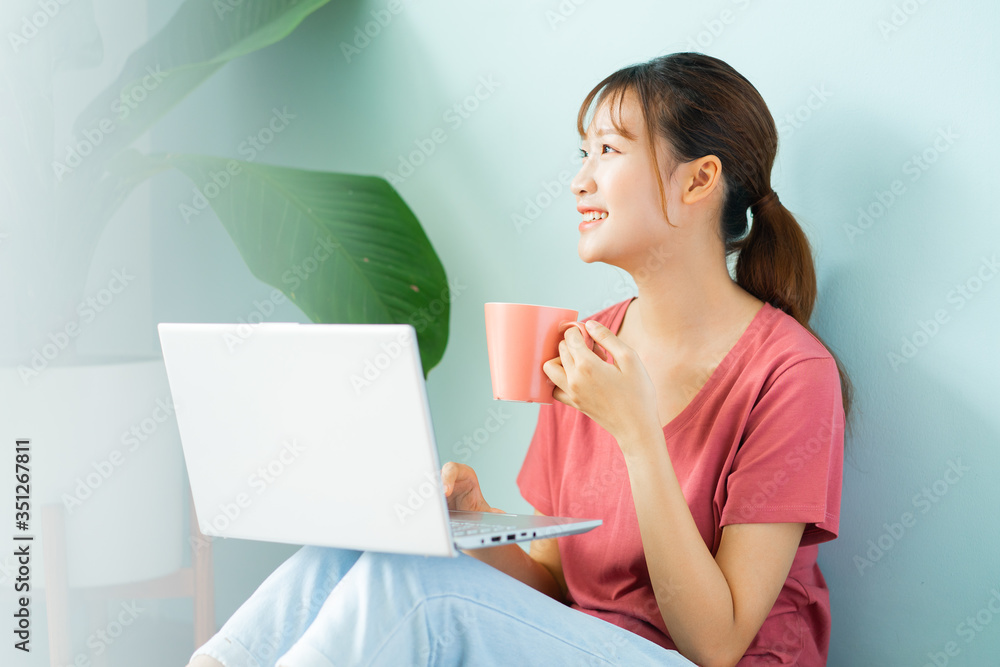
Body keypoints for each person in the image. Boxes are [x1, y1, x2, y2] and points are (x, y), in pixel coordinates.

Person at [187, 52, 849, 667]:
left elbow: (719, 640)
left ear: (700, 179)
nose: (579, 180)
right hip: (585, 644)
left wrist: (636, 434)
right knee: (364, 544)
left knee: (418, 588)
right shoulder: (586, 346)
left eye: (609, 152)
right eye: (583, 152)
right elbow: (554, 585)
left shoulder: (790, 373)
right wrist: (475, 525)